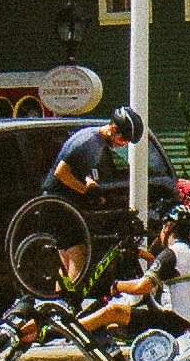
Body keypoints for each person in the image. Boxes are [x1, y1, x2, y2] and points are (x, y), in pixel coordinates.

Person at [46, 106, 144, 287]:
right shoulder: (90, 142)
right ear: (114, 129)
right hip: (57, 200)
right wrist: (85, 190)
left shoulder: (95, 141)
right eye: (123, 139)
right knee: (78, 254)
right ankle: (70, 300)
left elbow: (76, 168)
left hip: (61, 200)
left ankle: (60, 298)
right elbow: (61, 172)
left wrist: (89, 183)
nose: (123, 144)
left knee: (66, 257)